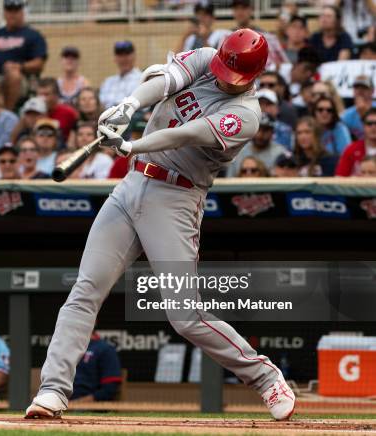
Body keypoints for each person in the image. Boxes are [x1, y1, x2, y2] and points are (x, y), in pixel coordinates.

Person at [25, 29, 295, 422]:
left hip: (176, 199)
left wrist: (133, 144)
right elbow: (164, 81)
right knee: (86, 289)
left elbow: (189, 132)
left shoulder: (248, 115)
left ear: (253, 76)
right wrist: (128, 105)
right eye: (222, 68)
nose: (222, 77)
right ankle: (52, 390)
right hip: (131, 186)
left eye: (233, 75)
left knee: (184, 315)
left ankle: (264, 375)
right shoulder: (206, 58)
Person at [0, 0, 47, 110]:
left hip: (20, 79)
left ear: (22, 12)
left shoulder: (33, 35)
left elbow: (39, 63)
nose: (12, 14)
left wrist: (20, 66)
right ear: (4, 13)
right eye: (9, 11)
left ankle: (7, 113)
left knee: (13, 74)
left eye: (16, 11)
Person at [72, 331, 122, 402]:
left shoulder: (105, 349)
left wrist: (77, 403)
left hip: (86, 406)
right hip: (59, 403)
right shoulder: (64, 349)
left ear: (94, 321)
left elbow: (109, 389)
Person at [99, 41, 141, 109]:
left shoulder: (142, 79)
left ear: (134, 56)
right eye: (120, 55)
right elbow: (101, 104)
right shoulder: (108, 82)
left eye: (127, 54)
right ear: (115, 58)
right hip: (107, 116)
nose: (124, 59)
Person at [336, 108, 376, 176]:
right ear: (363, 126)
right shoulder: (351, 149)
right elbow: (340, 177)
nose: (374, 127)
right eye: (369, 124)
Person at [37, 78, 78, 142]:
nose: (43, 99)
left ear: (56, 95)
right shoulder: (32, 113)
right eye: (40, 94)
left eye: (46, 94)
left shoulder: (69, 113)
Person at [341, 76, 376, 141]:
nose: (360, 91)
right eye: (356, 88)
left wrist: (364, 114)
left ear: (372, 91)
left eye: (364, 88)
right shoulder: (346, 115)